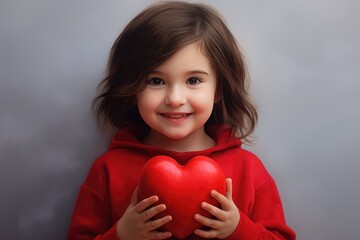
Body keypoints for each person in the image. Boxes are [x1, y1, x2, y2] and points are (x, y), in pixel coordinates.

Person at [67, 1, 296, 239]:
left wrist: (238, 228)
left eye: (194, 80)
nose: (175, 99)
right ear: (133, 88)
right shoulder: (108, 170)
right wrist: (121, 234)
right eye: (156, 81)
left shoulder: (248, 169)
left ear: (219, 90)